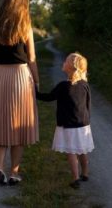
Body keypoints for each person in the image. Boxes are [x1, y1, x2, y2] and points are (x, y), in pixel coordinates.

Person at [0, 0, 40, 186]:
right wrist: (36, 81)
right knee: (19, 127)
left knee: (1, 125)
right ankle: (14, 172)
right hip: (21, 76)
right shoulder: (25, 27)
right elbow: (31, 59)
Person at [36, 52, 94, 189]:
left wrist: (34, 92)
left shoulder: (63, 86)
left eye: (66, 61)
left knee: (71, 152)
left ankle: (75, 179)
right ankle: (85, 173)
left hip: (68, 125)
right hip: (83, 124)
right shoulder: (85, 85)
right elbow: (88, 104)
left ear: (71, 67)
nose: (63, 62)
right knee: (82, 150)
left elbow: (49, 97)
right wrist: (86, 120)